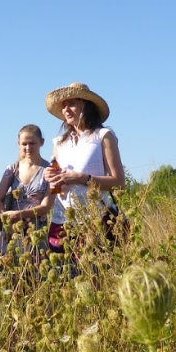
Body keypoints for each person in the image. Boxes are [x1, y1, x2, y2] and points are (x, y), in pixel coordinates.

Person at [43, 82, 126, 262]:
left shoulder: (103, 136)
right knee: (64, 278)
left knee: (94, 276)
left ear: (86, 106)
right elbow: (55, 183)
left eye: (71, 104)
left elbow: (119, 182)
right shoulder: (59, 142)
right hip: (61, 220)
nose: (66, 109)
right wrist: (49, 177)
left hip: (94, 219)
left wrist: (83, 178)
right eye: (63, 106)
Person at [0, 124, 54, 257]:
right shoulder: (12, 169)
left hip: (36, 230)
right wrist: (5, 219)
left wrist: (20, 214)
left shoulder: (50, 170)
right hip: (12, 231)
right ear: (18, 144)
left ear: (41, 142)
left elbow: (46, 206)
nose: (28, 147)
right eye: (24, 144)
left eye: (32, 143)